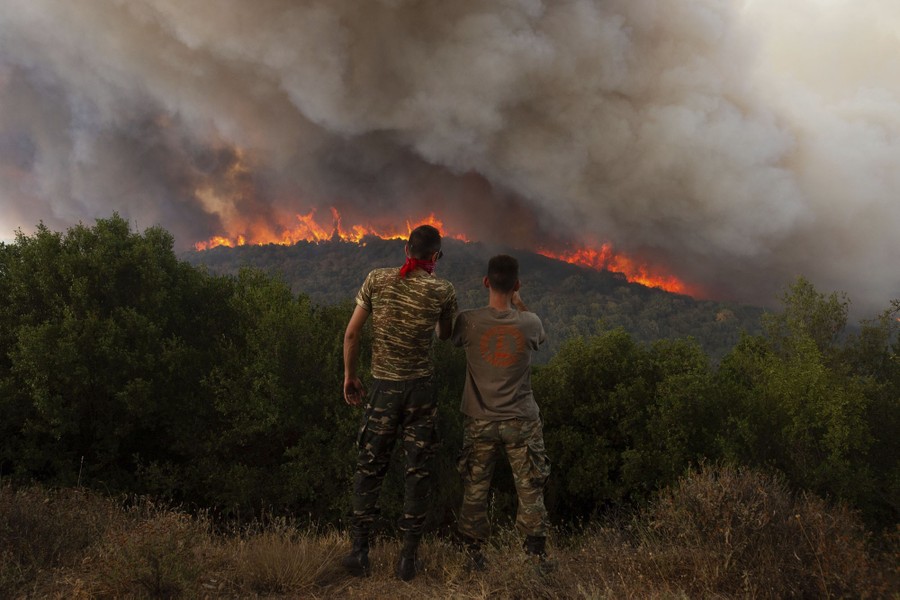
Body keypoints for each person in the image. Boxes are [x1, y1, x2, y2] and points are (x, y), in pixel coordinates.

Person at [341, 224, 458, 581]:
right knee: (417, 471)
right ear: (435, 257)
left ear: (407, 249)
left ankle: (360, 554)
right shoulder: (443, 289)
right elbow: (446, 334)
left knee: (370, 467)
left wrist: (350, 375)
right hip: (420, 391)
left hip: (382, 389)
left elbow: (351, 333)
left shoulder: (376, 279)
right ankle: (408, 560)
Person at [451, 254, 553, 571]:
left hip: (480, 420)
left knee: (475, 487)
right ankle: (535, 558)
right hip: (521, 420)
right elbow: (541, 337)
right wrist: (519, 304)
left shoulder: (468, 321)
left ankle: (472, 557)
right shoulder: (530, 322)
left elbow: (448, 336)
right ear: (517, 285)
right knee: (530, 488)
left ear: (485, 281)